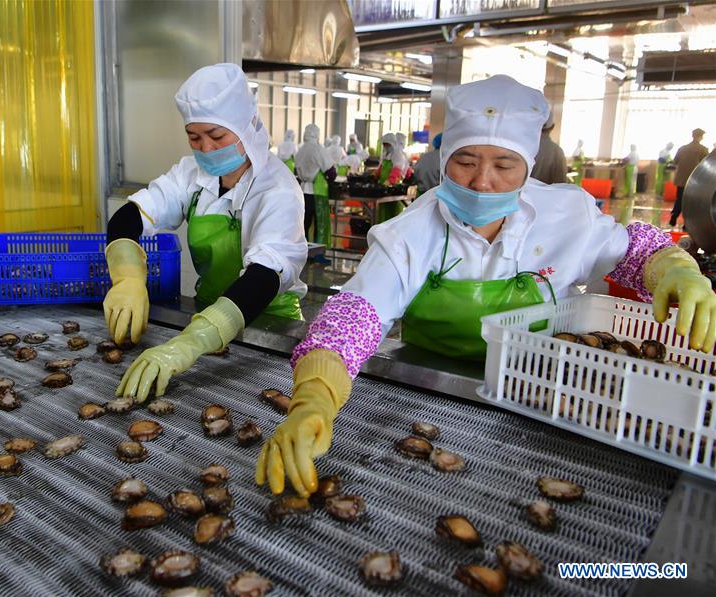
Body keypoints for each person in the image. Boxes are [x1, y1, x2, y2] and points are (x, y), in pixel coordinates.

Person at [255, 74, 716, 497]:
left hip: (540, 405)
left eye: (504, 165)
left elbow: (634, 252)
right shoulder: (413, 231)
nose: (482, 181)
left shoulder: (565, 216)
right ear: (445, 157)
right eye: (466, 161)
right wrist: (315, 395)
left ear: (529, 166)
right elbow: (356, 313)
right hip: (428, 400)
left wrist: (674, 267)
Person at [104, 63, 308, 402]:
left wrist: (189, 343)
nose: (206, 149)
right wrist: (127, 276)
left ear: (245, 127)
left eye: (217, 135)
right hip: (206, 315)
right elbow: (131, 214)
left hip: (268, 326)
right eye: (194, 137)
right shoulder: (191, 173)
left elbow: (264, 277)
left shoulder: (278, 189)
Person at [295, 123, 336, 260]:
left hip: (302, 192)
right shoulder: (319, 149)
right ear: (317, 134)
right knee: (320, 223)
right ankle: (318, 253)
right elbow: (331, 170)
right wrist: (330, 180)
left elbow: (296, 170)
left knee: (304, 223)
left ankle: (304, 251)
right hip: (317, 192)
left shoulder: (300, 150)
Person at [669, 128, 708, 227]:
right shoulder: (703, 149)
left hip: (681, 180)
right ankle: (687, 223)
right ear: (701, 137)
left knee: (679, 199)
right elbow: (706, 165)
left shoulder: (682, 148)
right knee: (691, 202)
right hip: (694, 181)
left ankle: (674, 217)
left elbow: (675, 162)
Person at [376, 132, 410, 222]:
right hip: (383, 187)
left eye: (387, 145)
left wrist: (390, 181)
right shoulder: (385, 154)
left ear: (393, 144)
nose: (386, 147)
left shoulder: (398, 155)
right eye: (384, 145)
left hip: (394, 188)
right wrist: (375, 175)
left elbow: (397, 171)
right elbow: (381, 167)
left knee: (393, 216)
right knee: (382, 214)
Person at [530, 114, 567, 184]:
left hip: (523, 194)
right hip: (545, 194)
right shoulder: (557, 151)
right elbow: (561, 183)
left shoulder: (523, 147)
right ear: (552, 127)